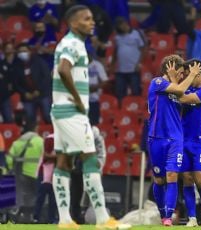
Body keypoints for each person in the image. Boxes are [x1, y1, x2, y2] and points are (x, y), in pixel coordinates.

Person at [50, 5, 130, 229]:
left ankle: (65, 220)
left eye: (92, 19)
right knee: (90, 159)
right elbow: (64, 70)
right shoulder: (72, 43)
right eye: (86, 19)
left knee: (64, 163)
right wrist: (76, 98)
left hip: (61, 110)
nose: (92, 22)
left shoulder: (69, 43)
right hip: (71, 112)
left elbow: (58, 70)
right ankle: (103, 219)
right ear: (74, 23)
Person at [147, 54, 201, 226]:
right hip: (156, 137)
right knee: (159, 180)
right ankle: (162, 213)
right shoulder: (157, 83)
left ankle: (168, 218)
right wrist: (192, 74)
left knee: (172, 175)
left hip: (175, 138)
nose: (182, 76)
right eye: (180, 73)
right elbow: (178, 90)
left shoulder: (180, 90)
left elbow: (180, 92)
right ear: (170, 69)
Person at [178, 59, 201, 227]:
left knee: (199, 178)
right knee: (186, 178)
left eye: (189, 74)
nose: (186, 77)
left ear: (197, 73)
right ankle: (192, 217)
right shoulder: (188, 87)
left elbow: (184, 99)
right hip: (184, 140)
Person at [6, 122, 43, 220]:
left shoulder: (17, 142)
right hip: (37, 173)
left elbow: (9, 158)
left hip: (23, 173)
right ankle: (35, 216)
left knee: (26, 194)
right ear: (35, 129)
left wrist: (10, 168)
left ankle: (25, 215)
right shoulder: (40, 141)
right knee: (37, 194)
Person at [15, 43, 52, 125]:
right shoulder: (16, 65)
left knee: (47, 116)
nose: (22, 53)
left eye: (24, 51)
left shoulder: (39, 61)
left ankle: (52, 134)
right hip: (28, 97)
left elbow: (46, 77)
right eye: (20, 52)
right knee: (30, 119)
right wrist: (25, 93)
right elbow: (16, 83)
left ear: (29, 52)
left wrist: (38, 90)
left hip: (43, 94)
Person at [112, 17, 145, 103]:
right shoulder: (117, 37)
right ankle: (121, 111)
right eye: (119, 26)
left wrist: (139, 63)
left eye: (122, 25)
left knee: (135, 91)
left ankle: (136, 110)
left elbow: (143, 49)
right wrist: (112, 65)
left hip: (133, 69)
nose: (121, 27)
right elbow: (115, 52)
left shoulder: (136, 34)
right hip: (120, 70)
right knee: (119, 93)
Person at [33, 133, 57, 224]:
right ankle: (36, 217)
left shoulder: (62, 138)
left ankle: (51, 219)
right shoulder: (51, 138)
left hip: (54, 174)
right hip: (44, 173)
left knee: (53, 198)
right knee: (40, 197)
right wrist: (58, 157)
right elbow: (46, 156)